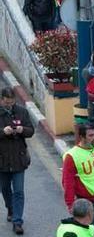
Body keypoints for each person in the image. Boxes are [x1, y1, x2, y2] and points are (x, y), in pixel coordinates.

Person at [0, 87, 34, 235]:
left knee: (19, 191)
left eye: (11, 102)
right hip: (1, 160)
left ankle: (17, 221)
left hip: (19, 159)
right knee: (5, 189)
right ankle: (10, 208)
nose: (9, 105)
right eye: (6, 102)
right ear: (1, 99)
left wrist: (22, 130)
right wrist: (2, 132)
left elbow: (31, 130)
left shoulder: (22, 111)